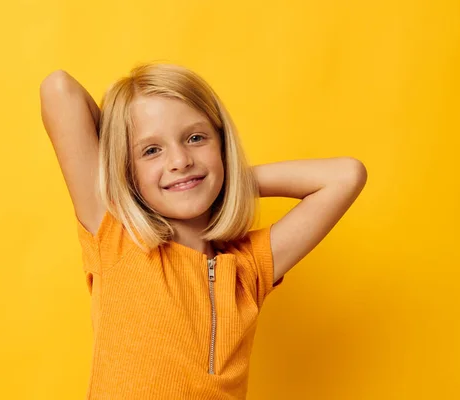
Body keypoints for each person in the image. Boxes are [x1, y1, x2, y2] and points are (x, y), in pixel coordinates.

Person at [39, 62, 367, 399]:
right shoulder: (117, 235)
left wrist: (229, 179)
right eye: (151, 150)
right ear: (124, 167)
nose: (180, 160)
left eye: (195, 138)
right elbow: (58, 89)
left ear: (223, 146)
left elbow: (345, 176)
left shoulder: (250, 267)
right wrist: (114, 156)